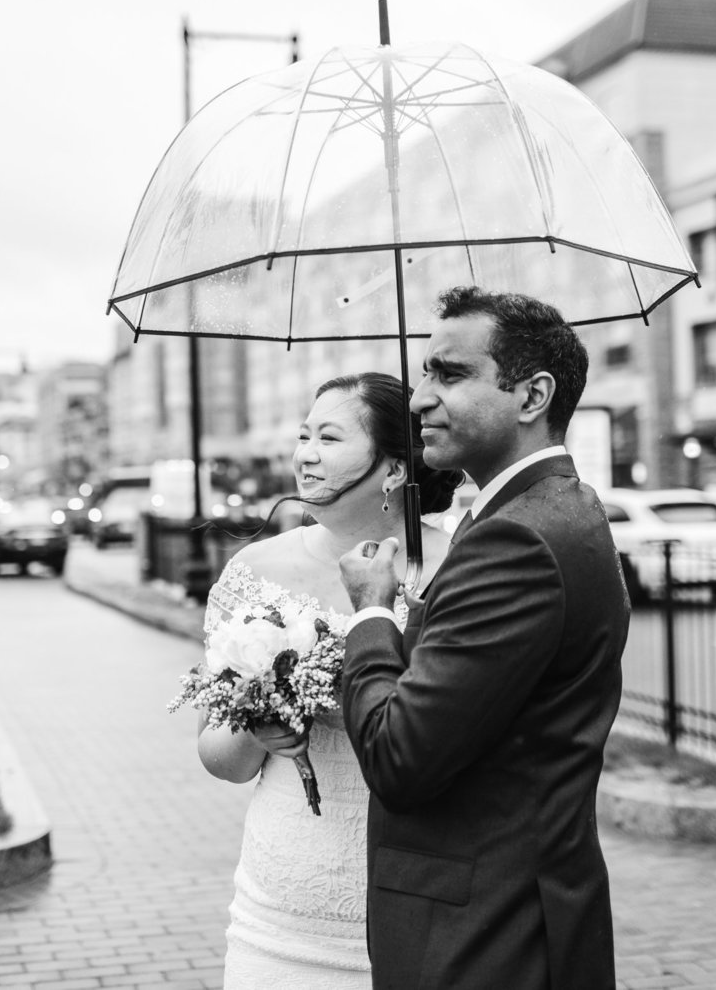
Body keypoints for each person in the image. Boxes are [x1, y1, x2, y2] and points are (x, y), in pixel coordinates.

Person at [339, 287, 632, 990]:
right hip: (512, 920)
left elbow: (400, 754)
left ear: (532, 395)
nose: (416, 399)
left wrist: (371, 615)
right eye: (423, 373)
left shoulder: (517, 539)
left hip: (483, 942)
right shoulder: (550, 509)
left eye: (450, 373)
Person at [196, 372, 462, 989]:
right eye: (304, 435)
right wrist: (258, 727)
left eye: (330, 437)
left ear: (395, 469)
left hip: (421, 891)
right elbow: (220, 760)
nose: (305, 454)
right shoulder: (254, 570)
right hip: (281, 903)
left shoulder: (458, 568)